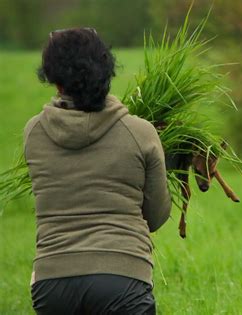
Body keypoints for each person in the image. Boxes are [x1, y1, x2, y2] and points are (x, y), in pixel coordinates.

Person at [23, 27, 171, 314]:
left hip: (52, 284)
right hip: (123, 280)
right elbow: (156, 217)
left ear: (56, 82)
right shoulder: (140, 133)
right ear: (107, 73)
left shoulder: (34, 133)